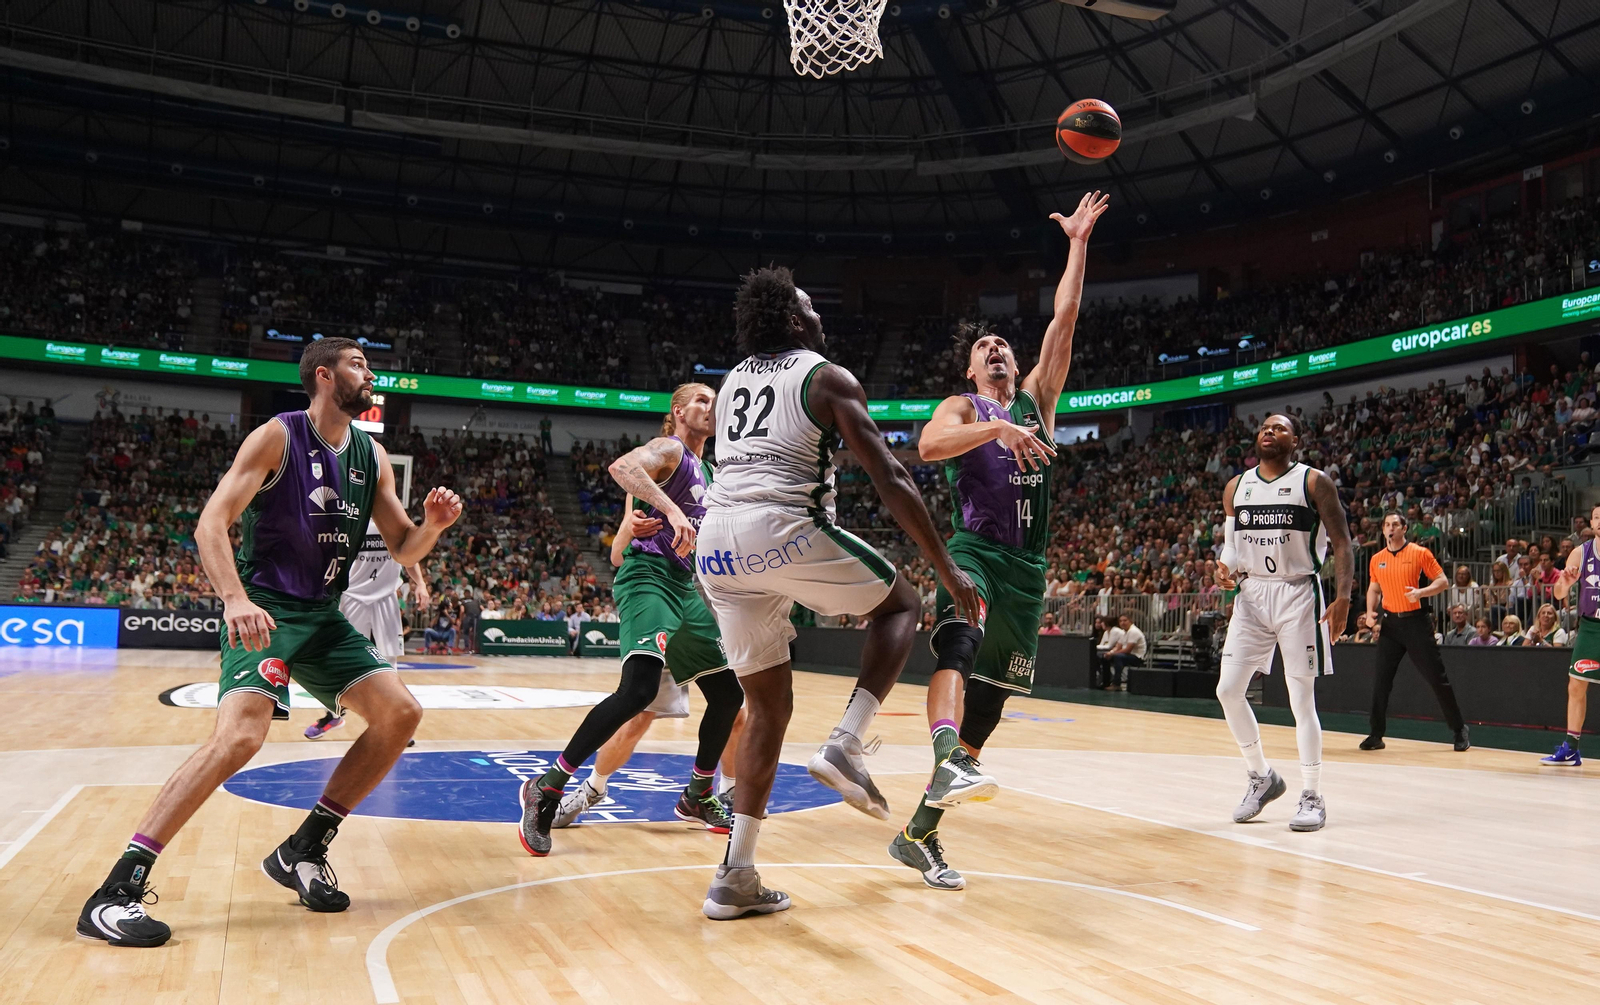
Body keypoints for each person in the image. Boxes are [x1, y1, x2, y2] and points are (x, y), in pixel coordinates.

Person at [76, 337, 462, 947]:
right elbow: (210, 524)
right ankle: (116, 889)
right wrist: (235, 599)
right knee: (240, 737)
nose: (370, 373)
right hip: (267, 609)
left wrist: (433, 527)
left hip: (324, 615)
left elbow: (403, 547)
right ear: (324, 376)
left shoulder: (373, 455)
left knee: (401, 714)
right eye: (358, 364)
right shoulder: (277, 436)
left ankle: (304, 848)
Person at [693, 265, 980, 920]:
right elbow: (891, 477)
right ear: (795, 320)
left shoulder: (732, 382)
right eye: (811, 306)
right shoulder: (826, 377)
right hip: (779, 528)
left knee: (767, 708)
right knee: (902, 603)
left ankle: (735, 875)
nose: (820, 315)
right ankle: (847, 742)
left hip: (716, 545)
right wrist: (945, 566)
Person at [890, 192, 1107, 892]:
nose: (996, 349)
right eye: (984, 348)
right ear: (971, 371)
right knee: (958, 641)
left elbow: (1065, 318)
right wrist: (995, 428)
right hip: (975, 552)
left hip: (1028, 571)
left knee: (987, 709)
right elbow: (928, 446)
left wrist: (1077, 243)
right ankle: (944, 754)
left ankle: (918, 833)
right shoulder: (964, 407)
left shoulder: (1039, 401)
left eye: (1003, 345)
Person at [520, 384, 747, 853]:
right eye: (702, 399)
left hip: (684, 585)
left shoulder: (711, 472)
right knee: (639, 693)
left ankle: (699, 793)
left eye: (715, 400)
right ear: (678, 411)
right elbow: (622, 468)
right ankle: (548, 786)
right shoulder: (670, 450)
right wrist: (665, 513)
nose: (711, 406)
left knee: (728, 695)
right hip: (648, 576)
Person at [553, 497, 747, 829]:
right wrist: (629, 530)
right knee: (639, 715)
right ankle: (592, 789)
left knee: (734, 710)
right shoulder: (649, 485)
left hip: (705, 606)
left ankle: (725, 791)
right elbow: (618, 554)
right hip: (663, 598)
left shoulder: (719, 483)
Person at [1214, 413, 1353, 833]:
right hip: (1252, 594)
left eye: (1279, 428)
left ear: (1295, 440)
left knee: (1300, 699)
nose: (1269, 432)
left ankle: (1312, 794)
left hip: (1298, 592)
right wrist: (1224, 567)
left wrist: (1344, 597)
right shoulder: (1236, 487)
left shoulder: (1314, 482)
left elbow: (1343, 543)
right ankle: (1262, 776)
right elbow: (1232, 547)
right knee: (1227, 690)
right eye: (1264, 428)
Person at [1357, 513, 1469, 752]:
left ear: (1404, 529)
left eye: (1395, 525)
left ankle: (1459, 729)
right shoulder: (1377, 559)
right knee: (1381, 681)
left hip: (1416, 623)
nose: (1390, 528)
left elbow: (1442, 581)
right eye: (1387, 525)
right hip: (1390, 625)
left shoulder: (1420, 553)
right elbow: (1374, 588)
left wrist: (1421, 592)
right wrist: (1370, 612)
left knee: (1437, 678)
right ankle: (1376, 734)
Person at [309, 523, 430, 740]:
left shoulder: (392, 519)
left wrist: (420, 583)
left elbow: (409, 555)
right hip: (352, 595)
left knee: (389, 659)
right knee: (340, 658)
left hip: (385, 596)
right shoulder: (350, 515)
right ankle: (333, 715)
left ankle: (396, 722)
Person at [1543, 505, 1600, 765]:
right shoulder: (1581, 552)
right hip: (1590, 627)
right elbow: (1558, 593)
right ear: (1591, 522)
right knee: (1576, 685)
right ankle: (1571, 748)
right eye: (1597, 517)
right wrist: (1565, 583)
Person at [1102, 613, 1147, 689]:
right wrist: (1110, 653)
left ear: (1130, 621)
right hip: (1127, 655)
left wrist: (1113, 654)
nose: (1122, 623)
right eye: (1120, 621)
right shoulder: (1124, 632)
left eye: (1125, 620)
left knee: (1118, 657)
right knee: (1104, 658)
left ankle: (1116, 684)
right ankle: (1106, 683)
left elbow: (1127, 650)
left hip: (1137, 657)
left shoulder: (1133, 631)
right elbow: (1118, 646)